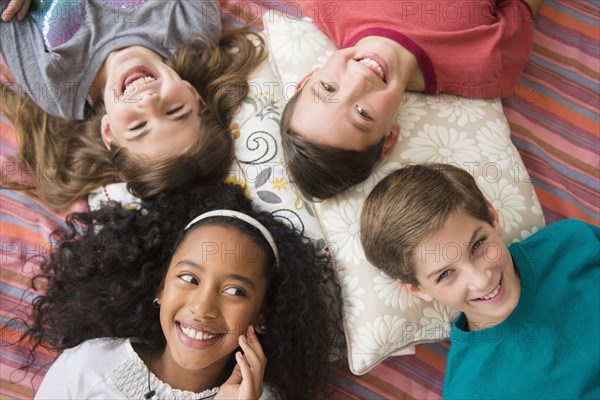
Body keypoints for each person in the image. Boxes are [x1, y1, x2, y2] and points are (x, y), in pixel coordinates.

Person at [21, 182, 343, 399]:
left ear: (263, 314)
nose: (203, 308)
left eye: (234, 291)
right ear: (160, 287)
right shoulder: (88, 364)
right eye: (189, 279)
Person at [359, 163, 599, 399]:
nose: (482, 280)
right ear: (416, 288)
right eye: (445, 274)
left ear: (492, 216)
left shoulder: (572, 242)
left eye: (477, 245)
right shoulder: (469, 391)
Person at [0, 0, 265, 210]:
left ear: (108, 133)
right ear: (193, 93)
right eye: (175, 111)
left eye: (139, 126)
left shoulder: (55, 87)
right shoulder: (192, 27)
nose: (150, 103)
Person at [280, 0, 544, 201]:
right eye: (362, 113)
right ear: (389, 140)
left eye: (327, 87)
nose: (359, 80)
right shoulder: (486, 65)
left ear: (307, 80)